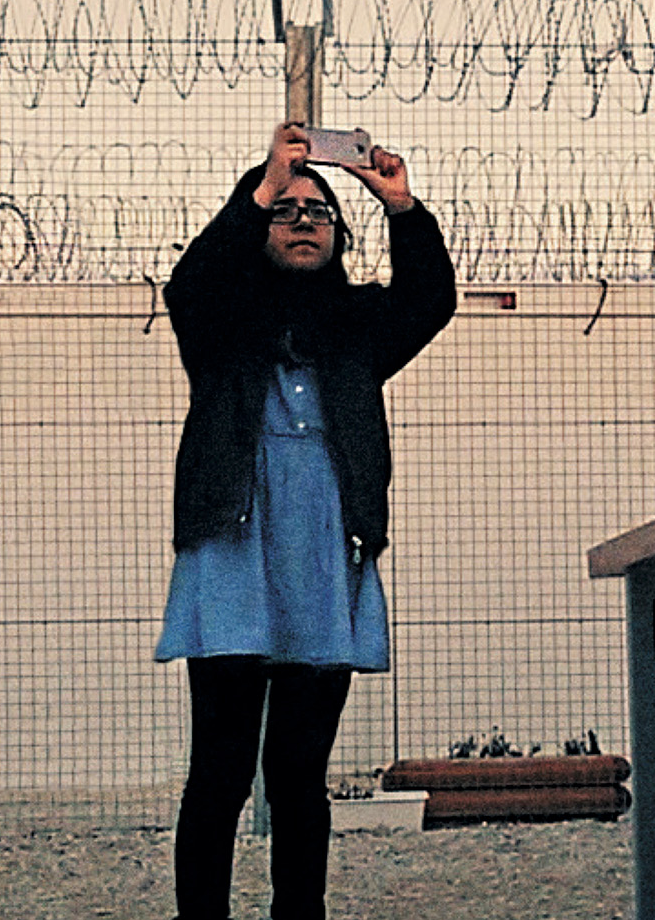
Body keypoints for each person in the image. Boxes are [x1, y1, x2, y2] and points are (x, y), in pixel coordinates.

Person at [155, 117, 456, 920]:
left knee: (297, 769)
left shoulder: (358, 329)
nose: (301, 223)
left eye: (317, 213)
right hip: (231, 551)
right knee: (219, 766)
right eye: (285, 212)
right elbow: (187, 288)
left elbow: (430, 300)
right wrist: (259, 186)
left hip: (323, 555)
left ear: (339, 236)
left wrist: (401, 206)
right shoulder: (219, 326)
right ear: (259, 224)